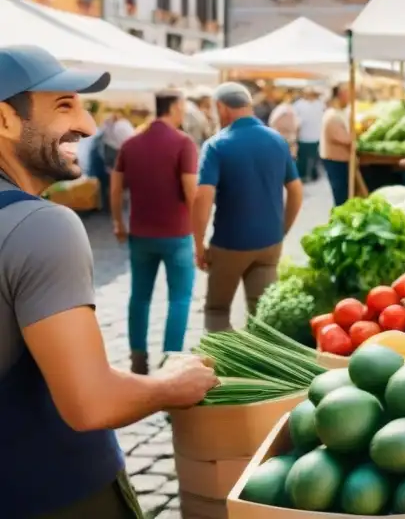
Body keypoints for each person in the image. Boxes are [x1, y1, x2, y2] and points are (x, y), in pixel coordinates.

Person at [0, 46, 217, 518]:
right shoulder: (40, 226)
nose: (88, 125)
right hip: (55, 492)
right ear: (5, 120)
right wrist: (167, 385)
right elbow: (89, 402)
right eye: (64, 106)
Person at [192, 83, 304, 331]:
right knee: (261, 314)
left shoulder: (216, 145)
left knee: (217, 309)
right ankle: (259, 366)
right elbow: (296, 190)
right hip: (270, 243)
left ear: (221, 108)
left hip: (229, 244)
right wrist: (282, 230)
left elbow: (202, 198)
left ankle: (224, 366)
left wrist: (198, 244)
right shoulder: (277, 140)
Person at [110, 90, 198, 376]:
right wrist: (199, 232)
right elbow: (191, 192)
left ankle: (138, 356)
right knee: (180, 298)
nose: (183, 111)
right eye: (182, 106)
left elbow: (114, 187)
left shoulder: (131, 143)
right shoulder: (183, 143)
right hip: (177, 234)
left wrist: (118, 224)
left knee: (140, 296)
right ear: (173, 107)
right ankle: (171, 358)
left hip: (140, 234)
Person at [321, 85, 353, 206]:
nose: (350, 97)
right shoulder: (332, 116)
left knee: (342, 194)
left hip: (339, 159)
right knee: (340, 195)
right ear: (340, 95)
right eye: (347, 94)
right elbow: (345, 139)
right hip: (335, 160)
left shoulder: (338, 113)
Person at [292, 88, 326, 182]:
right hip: (303, 136)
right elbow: (295, 121)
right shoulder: (298, 105)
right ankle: (300, 176)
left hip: (316, 136)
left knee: (314, 157)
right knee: (302, 158)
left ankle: (313, 175)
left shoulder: (320, 104)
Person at [269, 91, 299, 158]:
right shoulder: (285, 109)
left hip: (284, 140)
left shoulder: (283, 108)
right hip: (285, 140)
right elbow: (294, 126)